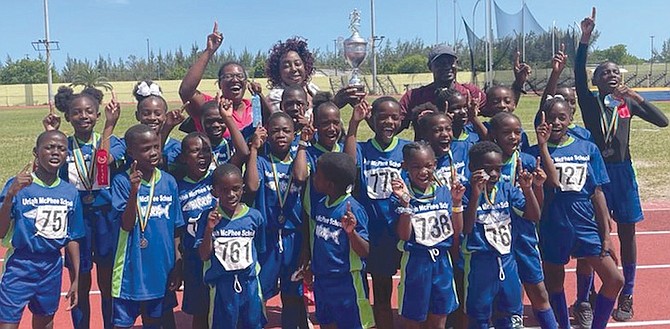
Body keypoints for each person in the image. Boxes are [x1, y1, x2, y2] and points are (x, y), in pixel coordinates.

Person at [576, 7, 668, 321]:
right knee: (591, 233)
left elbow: (663, 122)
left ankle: (627, 292)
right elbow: (577, 72)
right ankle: (586, 293)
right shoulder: (588, 101)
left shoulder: (628, 102)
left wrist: (640, 98)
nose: (612, 75)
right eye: (605, 72)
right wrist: (585, 40)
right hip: (595, 175)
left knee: (627, 234)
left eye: (615, 72)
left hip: (623, 172)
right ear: (595, 80)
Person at [529, 96, 624, 329]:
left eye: (562, 117)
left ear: (571, 119)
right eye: (551, 118)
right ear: (542, 120)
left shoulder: (587, 148)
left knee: (614, 279)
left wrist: (606, 235)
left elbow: (597, 192)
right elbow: (547, 185)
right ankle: (563, 325)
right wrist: (542, 146)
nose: (557, 122)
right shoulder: (532, 153)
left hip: (584, 221)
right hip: (552, 222)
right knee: (555, 283)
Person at [45, 85, 123, 329]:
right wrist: (50, 133)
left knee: (108, 282)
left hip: (105, 219)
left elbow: (102, 167)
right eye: (77, 112)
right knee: (79, 281)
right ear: (68, 116)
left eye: (89, 111)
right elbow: (46, 168)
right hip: (76, 220)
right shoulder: (63, 145)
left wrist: (110, 126)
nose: (84, 116)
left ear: (98, 115)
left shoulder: (112, 142)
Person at [535, 45, 595, 328]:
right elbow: (544, 108)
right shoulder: (543, 136)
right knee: (554, 270)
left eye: (569, 103)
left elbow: (595, 183)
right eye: (559, 101)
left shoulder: (583, 138)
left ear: (573, 111)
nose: (564, 107)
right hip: (553, 215)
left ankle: (583, 301)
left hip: (582, 211)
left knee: (586, 257)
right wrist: (555, 73)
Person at [0, 131, 84, 329]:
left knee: (45, 321)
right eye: (49, 147)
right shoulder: (18, 186)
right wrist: (11, 196)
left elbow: (73, 237)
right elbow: (1, 232)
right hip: (20, 265)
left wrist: (76, 278)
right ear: (36, 152)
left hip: (51, 266)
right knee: (8, 324)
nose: (55, 152)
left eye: (61, 149)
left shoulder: (70, 192)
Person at [345, 97, 410, 329]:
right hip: (377, 234)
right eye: (382, 117)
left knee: (415, 291)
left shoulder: (406, 149)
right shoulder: (362, 149)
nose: (388, 122)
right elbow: (349, 167)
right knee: (381, 294)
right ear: (372, 119)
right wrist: (353, 124)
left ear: (402, 120)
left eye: (394, 117)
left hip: (405, 231)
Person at [110, 124, 184, 329]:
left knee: (154, 321)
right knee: (122, 323)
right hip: (131, 268)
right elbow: (126, 224)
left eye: (156, 147)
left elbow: (176, 226)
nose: (153, 153)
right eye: (146, 149)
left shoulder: (169, 182)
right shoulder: (122, 182)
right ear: (131, 152)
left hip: (161, 267)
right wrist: (134, 191)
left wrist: (177, 261)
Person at [489, 112, 558, 329]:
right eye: (506, 132)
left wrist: (536, 186)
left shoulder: (527, 161)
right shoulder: (487, 163)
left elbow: (537, 209)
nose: (513, 137)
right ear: (494, 135)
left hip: (525, 234)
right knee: (501, 294)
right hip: (496, 238)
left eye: (517, 132)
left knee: (538, 291)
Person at [461, 141, 541, 329]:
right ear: (473, 168)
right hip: (479, 263)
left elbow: (534, 216)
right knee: (479, 317)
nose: (494, 175)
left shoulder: (507, 190)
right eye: (488, 170)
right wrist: (474, 195)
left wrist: (528, 189)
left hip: (507, 261)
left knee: (510, 315)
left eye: (499, 169)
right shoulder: (465, 193)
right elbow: (466, 227)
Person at [390, 141, 464, 329]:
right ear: (405, 166)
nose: (423, 171)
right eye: (416, 166)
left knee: (439, 317)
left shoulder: (443, 192)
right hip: (416, 263)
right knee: (414, 319)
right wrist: (406, 204)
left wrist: (456, 203)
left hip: (442, 263)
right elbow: (404, 235)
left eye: (428, 166)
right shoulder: (400, 195)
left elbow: (457, 230)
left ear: (435, 165)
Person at [245, 111, 308, 328]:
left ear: (294, 134)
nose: (280, 134)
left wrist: (302, 145)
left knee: (292, 293)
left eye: (286, 130)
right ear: (267, 135)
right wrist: (253, 148)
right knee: (258, 291)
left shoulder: (299, 159)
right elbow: (252, 186)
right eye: (275, 131)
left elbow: (300, 177)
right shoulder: (262, 161)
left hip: (293, 236)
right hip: (267, 238)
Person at [309, 152, 375, 329]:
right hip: (323, 280)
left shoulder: (353, 210)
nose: (314, 178)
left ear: (330, 184)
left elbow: (365, 251)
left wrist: (351, 233)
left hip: (346, 282)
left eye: (318, 176)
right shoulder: (322, 204)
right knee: (326, 322)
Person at [196, 164, 266, 329]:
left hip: (250, 284)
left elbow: (260, 248)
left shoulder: (254, 217)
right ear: (215, 192)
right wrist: (209, 229)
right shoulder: (208, 218)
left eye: (235, 189)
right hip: (222, 285)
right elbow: (203, 255)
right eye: (224, 190)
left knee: (253, 324)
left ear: (242, 189)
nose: (231, 194)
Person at [178, 22, 268, 134]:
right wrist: (209, 51)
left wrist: (260, 95)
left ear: (246, 82)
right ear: (220, 83)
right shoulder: (210, 107)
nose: (235, 80)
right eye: (228, 76)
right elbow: (186, 91)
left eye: (240, 76)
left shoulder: (255, 107)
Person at [176, 132, 216, 329]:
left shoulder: (218, 179)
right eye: (195, 151)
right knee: (200, 312)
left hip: (219, 257)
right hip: (194, 258)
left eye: (206, 151)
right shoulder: (178, 187)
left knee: (223, 308)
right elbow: (177, 229)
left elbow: (242, 152)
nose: (202, 156)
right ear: (183, 157)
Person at [265, 37, 365, 116]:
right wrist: (334, 104)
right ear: (277, 71)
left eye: (297, 63)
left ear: (305, 65)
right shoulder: (275, 97)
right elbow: (288, 127)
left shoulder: (312, 88)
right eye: (286, 66)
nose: (294, 69)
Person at [399, 44, 486, 133]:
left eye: (451, 62)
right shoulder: (414, 96)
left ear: (457, 64)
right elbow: (396, 124)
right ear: (430, 66)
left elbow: (495, 112)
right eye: (440, 63)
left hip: (464, 145)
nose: (447, 66)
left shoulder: (470, 92)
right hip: (428, 146)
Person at [198, 96, 250, 170]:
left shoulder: (231, 144)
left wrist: (228, 118)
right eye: (209, 121)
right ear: (200, 122)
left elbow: (244, 152)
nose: (216, 125)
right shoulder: (196, 148)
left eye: (221, 121)